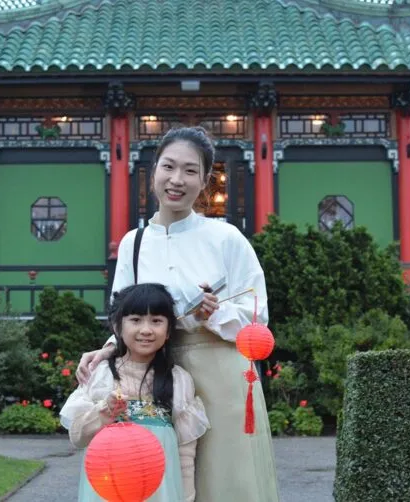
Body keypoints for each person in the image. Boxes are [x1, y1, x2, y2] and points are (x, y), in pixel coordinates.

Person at [77, 126, 280, 501]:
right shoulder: (133, 244)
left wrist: (212, 315)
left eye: (190, 171)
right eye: (168, 167)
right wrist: (106, 349)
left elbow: (257, 317)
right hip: (156, 375)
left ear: (205, 180)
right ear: (153, 171)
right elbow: (123, 311)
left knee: (226, 480)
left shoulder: (226, 238)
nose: (177, 180)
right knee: (164, 480)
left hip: (221, 370)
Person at [60, 282, 210, 502]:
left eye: (157, 321)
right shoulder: (101, 374)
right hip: (109, 488)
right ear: (117, 327)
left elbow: (185, 453)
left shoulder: (179, 380)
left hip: (162, 490)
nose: (146, 330)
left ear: (169, 331)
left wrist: (186, 497)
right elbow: (78, 436)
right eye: (136, 320)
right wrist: (104, 412)